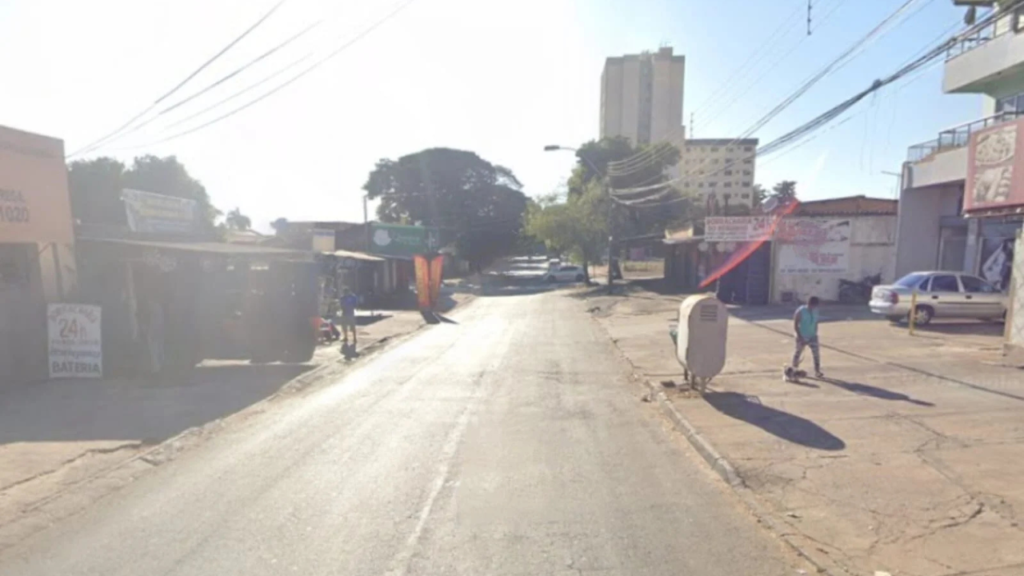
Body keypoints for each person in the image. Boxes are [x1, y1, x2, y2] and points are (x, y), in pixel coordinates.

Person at [789, 296, 822, 380]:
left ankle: (817, 371)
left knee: (816, 354)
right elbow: (796, 324)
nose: (814, 308)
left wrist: (815, 333)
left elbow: (816, 322)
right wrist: (800, 337)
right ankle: (794, 370)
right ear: (809, 304)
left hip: (812, 336)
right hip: (802, 335)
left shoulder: (816, 311)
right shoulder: (800, 311)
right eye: (813, 306)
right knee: (797, 354)